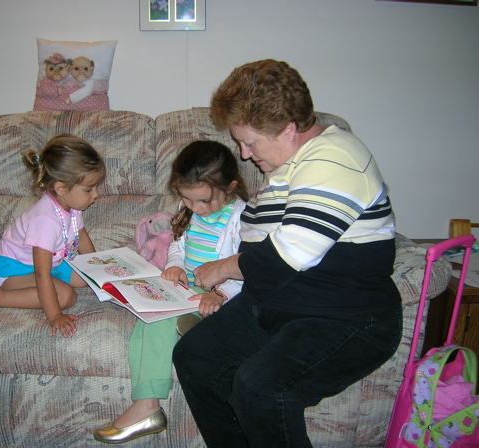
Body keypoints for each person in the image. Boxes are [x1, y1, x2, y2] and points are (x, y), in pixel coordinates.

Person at [172, 59, 403, 448]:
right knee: (195, 357)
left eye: (250, 142)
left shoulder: (334, 158)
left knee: (260, 388)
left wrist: (222, 269)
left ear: (288, 129)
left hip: (345, 315)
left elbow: (285, 257)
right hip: (278, 306)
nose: (244, 155)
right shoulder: (287, 167)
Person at [93, 140, 249, 444]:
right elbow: (177, 244)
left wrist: (219, 294)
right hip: (185, 287)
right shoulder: (188, 207)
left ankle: (147, 404)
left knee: (160, 319)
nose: (195, 209)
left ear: (231, 186)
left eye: (203, 201)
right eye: (187, 200)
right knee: (149, 315)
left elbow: (247, 271)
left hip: (220, 296)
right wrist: (175, 266)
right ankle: (187, 327)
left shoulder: (244, 218)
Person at [0, 134, 106, 339]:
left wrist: (98, 269)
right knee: (65, 296)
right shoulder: (45, 222)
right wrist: (55, 315)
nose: (96, 195)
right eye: (89, 189)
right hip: (15, 270)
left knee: (84, 278)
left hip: (50, 263)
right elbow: (41, 274)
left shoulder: (71, 207)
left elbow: (81, 237)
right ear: (61, 187)